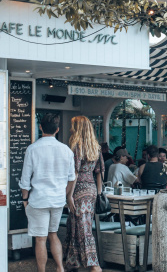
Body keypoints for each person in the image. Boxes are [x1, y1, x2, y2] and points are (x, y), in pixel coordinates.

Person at [19, 113, 75, 272]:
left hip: (38, 200)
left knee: (41, 239)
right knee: (54, 234)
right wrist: (64, 194)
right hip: (57, 201)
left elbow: (25, 180)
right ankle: (60, 268)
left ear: (40, 127)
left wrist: (25, 199)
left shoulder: (32, 149)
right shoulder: (66, 150)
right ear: (57, 129)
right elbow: (72, 177)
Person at [64, 116, 103, 272]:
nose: (70, 128)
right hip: (91, 189)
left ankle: (94, 265)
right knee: (76, 224)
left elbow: (74, 172)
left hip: (78, 189)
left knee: (81, 227)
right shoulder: (96, 147)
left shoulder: (76, 147)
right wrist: (98, 192)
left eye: (73, 125)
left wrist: (68, 196)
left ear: (78, 128)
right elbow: (99, 172)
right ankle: (73, 262)